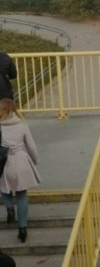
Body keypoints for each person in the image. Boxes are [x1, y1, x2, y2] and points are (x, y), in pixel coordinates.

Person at [0, 98, 41, 243]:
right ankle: (22, 228)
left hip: (4, 164)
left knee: (4, 188)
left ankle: (10, 208)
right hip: (21, 161)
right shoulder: (22, 124)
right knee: (22, 194)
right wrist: (35, 160)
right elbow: (31, 145)